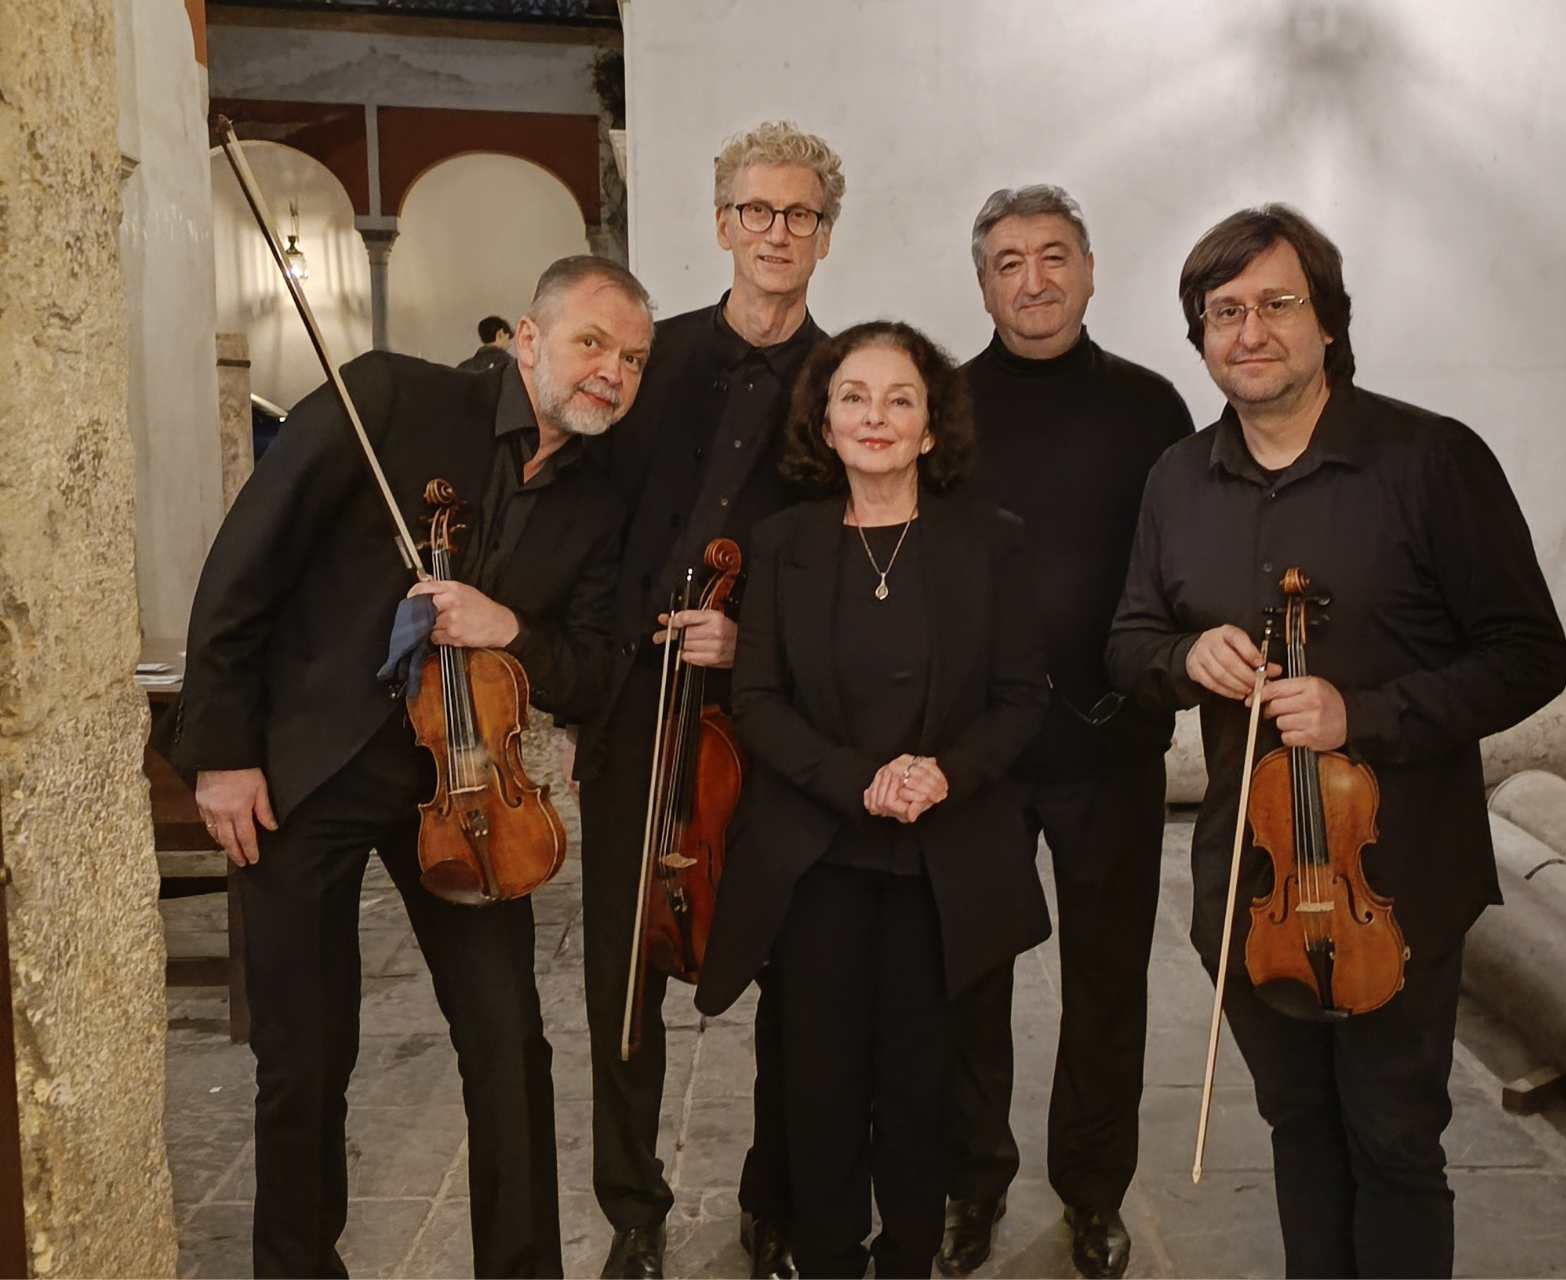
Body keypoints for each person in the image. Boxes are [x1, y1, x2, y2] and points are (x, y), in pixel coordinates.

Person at [161, 255, 654, 1278]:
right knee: (305, 1055)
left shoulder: (602, 498)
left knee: (509, 1042)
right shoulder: (388, 395)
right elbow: (245, 563)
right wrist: (221, 754)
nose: (613, 371)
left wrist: (509, 623)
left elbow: (599, 663)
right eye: (592, 342)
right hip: (308, 764)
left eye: (635, 359)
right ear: (527, 337)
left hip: (468, 789)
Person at [1107, 205, 1566, 1279]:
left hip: (1395, 875)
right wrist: (1187, 659)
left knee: (1396, 1139)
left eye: (1277, 303)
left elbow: (1528, 651)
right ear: (1200, 334)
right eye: (1225, 311)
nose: (1250, 330)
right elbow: (1129, 638)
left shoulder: (1432, 460)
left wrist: (1365, 714)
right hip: (1252, 879)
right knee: (1298, 1126)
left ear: (1328, 322)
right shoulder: (1178, 478)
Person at [694, 320, 1052, 1279]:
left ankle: (906, 1259)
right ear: (826, 419)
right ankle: (826, 1256)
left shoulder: (991, 543)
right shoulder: (781, 544)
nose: (877, 416)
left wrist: (943, 772)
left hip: (943, 858)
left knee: (921, 1081)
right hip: (819, 859)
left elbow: (1024, 698)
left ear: (932, 427)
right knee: (818, 1078)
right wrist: (862, 780)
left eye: (901, 398)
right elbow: (758, 704)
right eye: (854, 396)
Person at [572, 120, 844, 1280]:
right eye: (757, 211)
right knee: (621, 960)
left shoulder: (848, 386)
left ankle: (772, 1198)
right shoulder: (649, 357)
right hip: (638, 698)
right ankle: (635, 1206)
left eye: (800, 215)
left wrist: (756, 633)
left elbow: (853, 560)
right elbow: (583, 511)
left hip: (767, 712)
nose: (776, 232)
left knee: (786, 960)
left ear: (825, 235)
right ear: (722, 223)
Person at [939, 186, 1192, 1280]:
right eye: (1007, 261)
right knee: (967, 981)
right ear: (982, 279)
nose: (1031, 280)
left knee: (1106, 982)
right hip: (978, 756)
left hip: (1111, 745)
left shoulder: (1152, 405)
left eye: (1052, 257)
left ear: (1090, 268)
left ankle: (1093, 1191)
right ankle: (971, 1182)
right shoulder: (940, 404)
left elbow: (1185, 564)